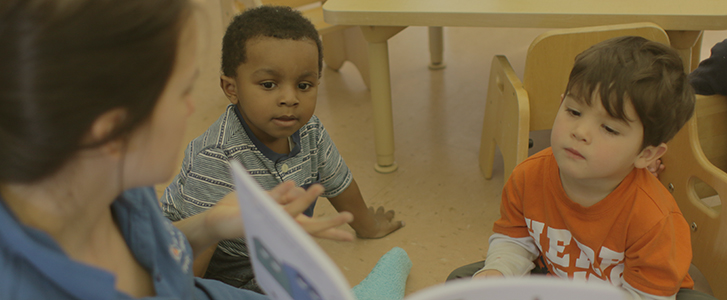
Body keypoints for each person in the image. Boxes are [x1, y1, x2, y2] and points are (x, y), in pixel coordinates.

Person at [0, 0, 355, 299]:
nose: (192, 109)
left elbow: (159, 255)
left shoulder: (117, 178)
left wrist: (208, 227)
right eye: (184, 91)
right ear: (113, 133)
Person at [447, 36, 716, 300]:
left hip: (641, 293)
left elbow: (647, 295)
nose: (581, 131)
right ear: (562, 101)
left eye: (609, 128)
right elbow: (515, 239)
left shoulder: (655, 219)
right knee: (463, 281)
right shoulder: (528, 176)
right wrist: (498, 272)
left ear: (646, 154)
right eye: (574, 112)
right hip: (555, 279)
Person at [160, 5, 404, 292]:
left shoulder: (311, 130)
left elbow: (338, 181)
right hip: (213, 261)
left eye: (304, 84)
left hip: (267, 253)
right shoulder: (217, 155)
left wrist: (367, 226)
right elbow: (198, 252)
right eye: (268, 84)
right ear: (231, 88)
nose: (290, 98)